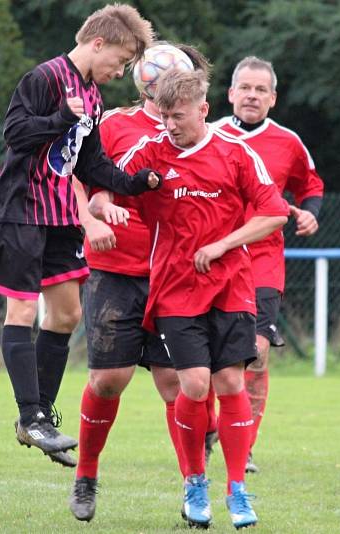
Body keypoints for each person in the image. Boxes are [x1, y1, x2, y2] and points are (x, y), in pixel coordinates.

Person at [0, 3, 159, 467]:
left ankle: (37, 417)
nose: (120, 72)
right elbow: (16, 134)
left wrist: (133, 183)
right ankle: (31, 416)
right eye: (119, 61)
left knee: (66, 314)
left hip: (59, 217)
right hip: (16, 211)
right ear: (97, 43)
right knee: (21, 308)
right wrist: (60, 117)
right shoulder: (44, 79)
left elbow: (89, 162)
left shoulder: (93, 96)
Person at [123, 69, 289, 529]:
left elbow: (274, 213)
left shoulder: (236, 154)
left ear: (203, 110)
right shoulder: (151, 152)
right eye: (163, 116)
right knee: (195, 386)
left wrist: (222, 245)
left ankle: (237, 489)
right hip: (176, 289)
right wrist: (102, 209)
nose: (169, 125)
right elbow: (109, 189)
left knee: (232, 383)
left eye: (177, 116)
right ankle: (194, 480)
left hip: (232, 284)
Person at [67, 42, 215, 522]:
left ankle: (194, 488)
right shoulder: (113, 124)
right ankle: (86, 474)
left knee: (179, 383)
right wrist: (94, 216)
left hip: (174, 275)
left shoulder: (199, 132)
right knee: (110, 379)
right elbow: (71, 172)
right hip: (116, 268)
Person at [213, 56, 324, 473]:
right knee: (211, 358)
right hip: (215, 259)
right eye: (245, 87)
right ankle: (211, 431)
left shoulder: (288, 142)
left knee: (255, 354)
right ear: (230, 94)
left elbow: (310, 185)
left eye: (261, 90)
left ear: (273, 98)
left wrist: (310, 211)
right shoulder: (210, 136)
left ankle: (245, 443)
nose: (252, 95)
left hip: (262, 261)